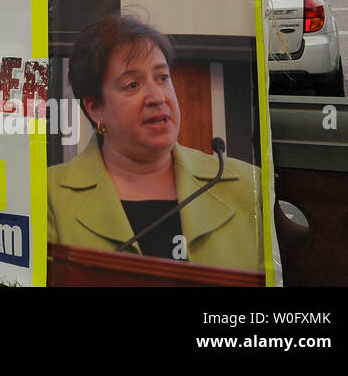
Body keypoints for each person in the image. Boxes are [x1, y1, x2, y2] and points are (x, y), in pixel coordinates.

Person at [47, 15, 263, 272]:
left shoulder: (248, 184)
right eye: (133, 84)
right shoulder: (48, 194)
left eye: (162, 77)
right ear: (95, 108)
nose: (158, 97)